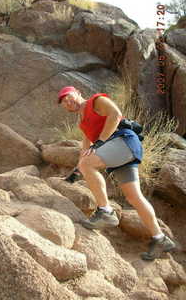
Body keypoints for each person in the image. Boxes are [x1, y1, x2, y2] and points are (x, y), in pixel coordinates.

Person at [57, 85, 176, 261]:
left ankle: (105, 212)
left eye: (69, 97)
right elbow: (86, 149)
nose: (68, 102)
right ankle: (160, 238)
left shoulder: (96, 101)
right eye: (64, 102)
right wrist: (77, 170)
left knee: (88, 165)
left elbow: (116, 114)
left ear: (79, 93)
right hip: (120, 152)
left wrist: (99, 144)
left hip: (124, 142)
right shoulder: (82, 122)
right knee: (134, 197)